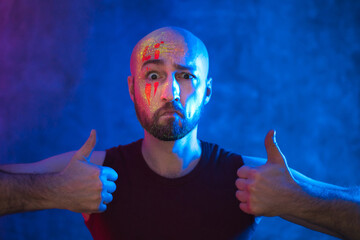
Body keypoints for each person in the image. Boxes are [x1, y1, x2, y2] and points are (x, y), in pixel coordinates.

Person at [0, 27, 359, 240]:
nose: (170, 92)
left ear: (207, 91)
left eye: (185, 76)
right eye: (153, 75)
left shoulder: (250, 178)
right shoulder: (90, 171)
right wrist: (53, 190)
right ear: (132, 87)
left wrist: (297, 198)